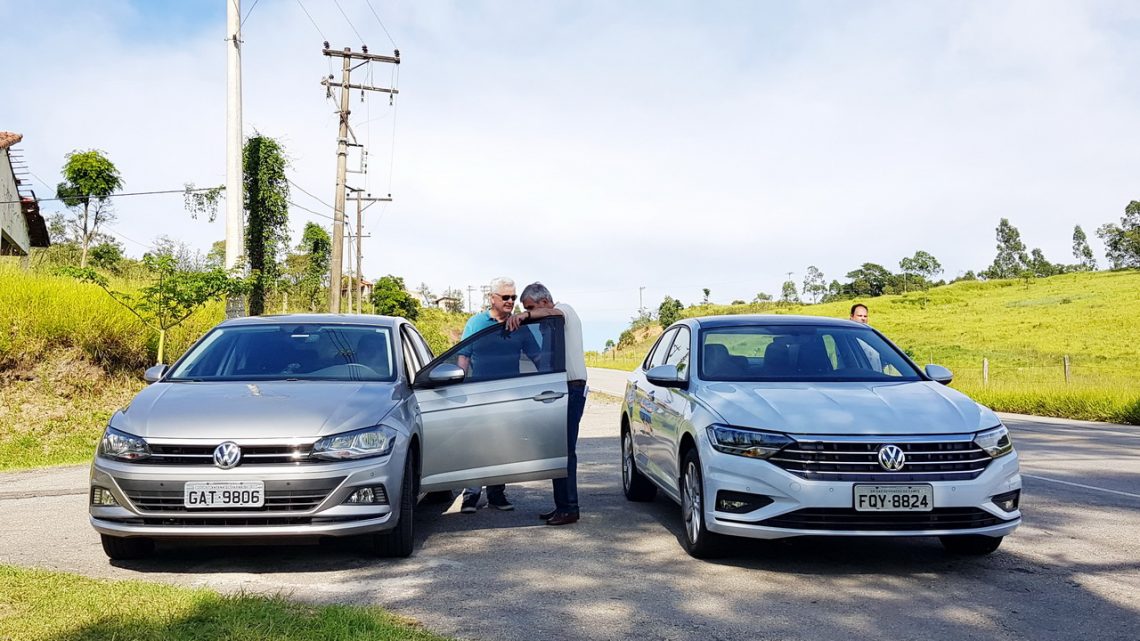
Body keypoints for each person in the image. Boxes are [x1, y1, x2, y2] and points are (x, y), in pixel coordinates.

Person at [507, 282, 586, 526]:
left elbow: (553, 312)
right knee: (557, 449)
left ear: (543, 302)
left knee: (565, 451)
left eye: (530, 307)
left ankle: (569, 508)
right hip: (562, 388)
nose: (529, 312)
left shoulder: (564, 310)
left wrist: (525, 316)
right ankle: (562, 506)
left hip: (571, 389)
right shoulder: (550, 324)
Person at [457, 277, 521, 514]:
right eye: (505, 297)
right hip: (479, 394)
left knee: (502, 446)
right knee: (477, 444)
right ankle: (471, 495)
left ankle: (496, 494)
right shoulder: (476, 323)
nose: (510, 301)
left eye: (513, 297)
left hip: (509, 397)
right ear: (492, 298)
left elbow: (539, 356)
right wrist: (458, 386)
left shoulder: (519, 325)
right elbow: (464, 356)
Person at [848, 303, 881, 371]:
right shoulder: (845, 338)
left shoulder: (873, 336)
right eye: (859, 316)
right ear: (851, 317)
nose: (863, 318)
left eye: (865, 316)